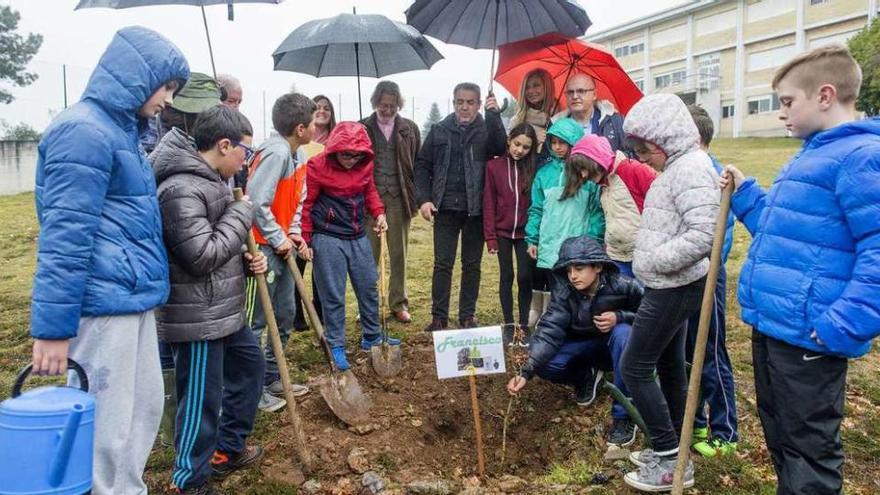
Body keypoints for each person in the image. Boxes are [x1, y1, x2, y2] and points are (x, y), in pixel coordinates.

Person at [30, 26, 189, 494]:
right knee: (105, 426)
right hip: (101, 307)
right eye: (166, 87)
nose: (167, 99)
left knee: (140, 413)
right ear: (137, 77)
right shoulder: (83, 131)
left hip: (131, 299)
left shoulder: (123, 133)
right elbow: (65, 235)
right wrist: (53, 330)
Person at [721, 45, 880, 494]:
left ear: (825, 95)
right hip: (776, 328)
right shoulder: (813, 154)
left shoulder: (860, 157)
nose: (780, 113)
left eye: (788, 102)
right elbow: (784, 230)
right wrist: (746, 194)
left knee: (809, 451)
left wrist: (841, 324)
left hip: (810, 337)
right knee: (783, 439)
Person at [153, 105, 265, 494]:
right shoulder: (180, 188)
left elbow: (220, 248)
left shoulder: (214, 180)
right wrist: (241, 214)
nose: (246, 161)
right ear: (223, 145)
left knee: (251, 366)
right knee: (201, 399)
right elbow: (200, 256)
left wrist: (248, 262)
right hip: (196, 317)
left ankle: (226, 449)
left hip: (224, 310)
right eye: (244, 152)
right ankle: (189, 480)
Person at [619, 94, 720, 492]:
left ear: (667, 138)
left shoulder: (691, 169)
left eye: (646, 149)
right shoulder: (678, 166)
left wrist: (654, 260)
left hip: (675, 284)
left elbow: (703, 234)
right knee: (669, 366)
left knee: (634, 365)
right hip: (670, 283)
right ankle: (675, 448)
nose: (642, 157)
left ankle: (666, 456)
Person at [507, 235, 641, 447]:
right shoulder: (564, 293)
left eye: (579, 269)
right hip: (582, 347)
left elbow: (650, 313)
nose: (573, 276)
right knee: (546, 362)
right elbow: (549, 330)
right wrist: (526, 371)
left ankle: (624, 416)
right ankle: (585, 377)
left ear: (597, 266)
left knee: (624, 334)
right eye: (568, 270)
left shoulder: (623, 285)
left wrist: (620, 317)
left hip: (615, 347)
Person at [149, 71, 224, 448]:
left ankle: (213, 441)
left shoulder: (200, 160)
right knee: (194, 384)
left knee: (233, 369)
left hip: (208, 293)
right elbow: (199, 251)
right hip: (191, 300)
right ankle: (187, 468)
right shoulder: (179, 177)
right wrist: (239, 215)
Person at [299, 122, 399, 370]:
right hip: (328, 236)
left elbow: (370, 192)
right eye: (346, 154)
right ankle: (336, 345)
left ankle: (372, 336)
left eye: (356, 155)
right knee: (332, 294)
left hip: (357, 235)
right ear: (334, 150)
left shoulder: (364, 165)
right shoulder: (316, 167)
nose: (351, 160)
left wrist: (379, 214)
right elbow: (306, 204)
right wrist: (305, 239)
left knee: (368, 286)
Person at [415, 82, 506, 331]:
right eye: (460, 102)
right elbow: (422, 166)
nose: (464, 107)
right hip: (444, 208)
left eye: (470, 102)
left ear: (478, 104)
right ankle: (439, 317)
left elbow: (501, 148)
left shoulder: (487, 129)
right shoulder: (439, 130)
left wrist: (495, 114)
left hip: (476, 209)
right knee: (442, 263)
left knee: (472, 264)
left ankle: (467, 316)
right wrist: (424, 199)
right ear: (453, 102)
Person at [245, 93, 315, 411]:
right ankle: (252, 388)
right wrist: (276, 237)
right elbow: (257, 202)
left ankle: (274, 376)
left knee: (285, 313)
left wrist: (294, 234)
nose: (316, 127)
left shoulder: (297, 155)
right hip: (262, 247)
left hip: (282, 246)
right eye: (313, 122)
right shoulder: (275, 153)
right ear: (300, 128)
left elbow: (294, 202)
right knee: (260, 320)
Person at [685, 104, 739, 459]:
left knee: (712, 351)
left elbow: (724, 233)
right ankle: (698, 421)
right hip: (686, 276)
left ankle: (726, 430)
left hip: (707, 274)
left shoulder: (716, 175)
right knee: (691, 350)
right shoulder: (686, 171)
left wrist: (707, 266)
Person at [526, 120, 606, 323]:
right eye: (553, 142)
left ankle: (574, 331)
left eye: (562, 142)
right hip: (550, 245)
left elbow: (596, 211)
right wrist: (532, 238)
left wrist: (592, 240)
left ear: (574, 143)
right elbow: (536, 209)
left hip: (578, 247)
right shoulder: (543, 174)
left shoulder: (586, 175)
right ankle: (559, 331)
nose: (557, 147)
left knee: (578, 295)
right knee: (558, 294)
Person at [361, 81, 421, 324]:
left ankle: (399, 303)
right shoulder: (362, 127)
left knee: (399, 254)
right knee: (369, 256)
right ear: (376, 102)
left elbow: (417, 163)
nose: (387, 110)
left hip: (399, 199)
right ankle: (368, 305)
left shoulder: (410, 129)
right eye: (383, 105)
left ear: (399, 104)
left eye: (392, 106)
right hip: (369, 200)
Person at [565, 135, 656, 279]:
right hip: (616, 256)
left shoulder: (632, 170)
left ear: (595, 161)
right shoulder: (601, 183)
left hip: (643, 255)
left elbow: (660, 205)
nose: (582, 175)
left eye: (584, 168)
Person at [483, 123, 538, 340]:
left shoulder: (533, 168)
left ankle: (523, 324)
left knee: (525, 277)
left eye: (525, 147)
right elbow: (488, 203)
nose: (519, 150)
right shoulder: (493, 167)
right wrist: (490, 237)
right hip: (502, 232)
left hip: (526, 233)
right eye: (516, 144)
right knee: (507, 275)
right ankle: (508, 324)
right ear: (509, 140)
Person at [551, 73, 626, 153]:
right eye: (570, 92)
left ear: (594, 94)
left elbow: (631, 153)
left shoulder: (614, 121)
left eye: (581, 91)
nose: (575, 96)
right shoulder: (556, 125)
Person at [510, 68, 555, 158]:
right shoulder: (518, 120)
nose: (530, 91)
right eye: (527, 87)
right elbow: (511, 153)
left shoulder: (559, 117)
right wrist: (533, 140)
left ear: (547, 87)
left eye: (536, 85)